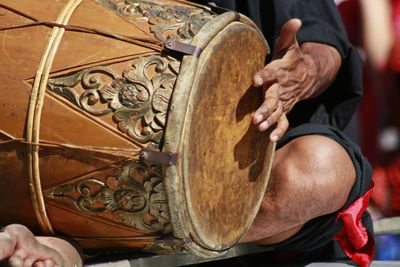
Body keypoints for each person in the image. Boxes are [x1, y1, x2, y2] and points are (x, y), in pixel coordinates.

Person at [0, 0, 374, 266]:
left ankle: (83, 248)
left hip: (255, 168)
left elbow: (325, 45)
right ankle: (69, 237)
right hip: (48, 169)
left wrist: (301, 72)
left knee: (320, 172)